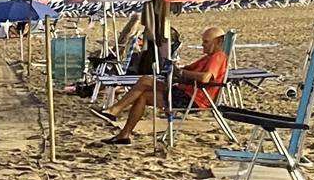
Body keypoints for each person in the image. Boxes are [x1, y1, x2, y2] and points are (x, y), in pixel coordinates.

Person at [91, 26, 227, 145]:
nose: (202, 45)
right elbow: (187, 70)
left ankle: (114, 110)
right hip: (184, 92)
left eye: (206, 42)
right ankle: (123, 135)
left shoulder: (218, 56)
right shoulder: (207, 57)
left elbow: (205, 77)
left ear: (218, 42)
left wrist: (181, 72)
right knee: (142, 96)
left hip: (192, 98)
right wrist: (174, 69)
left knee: (145, 80)